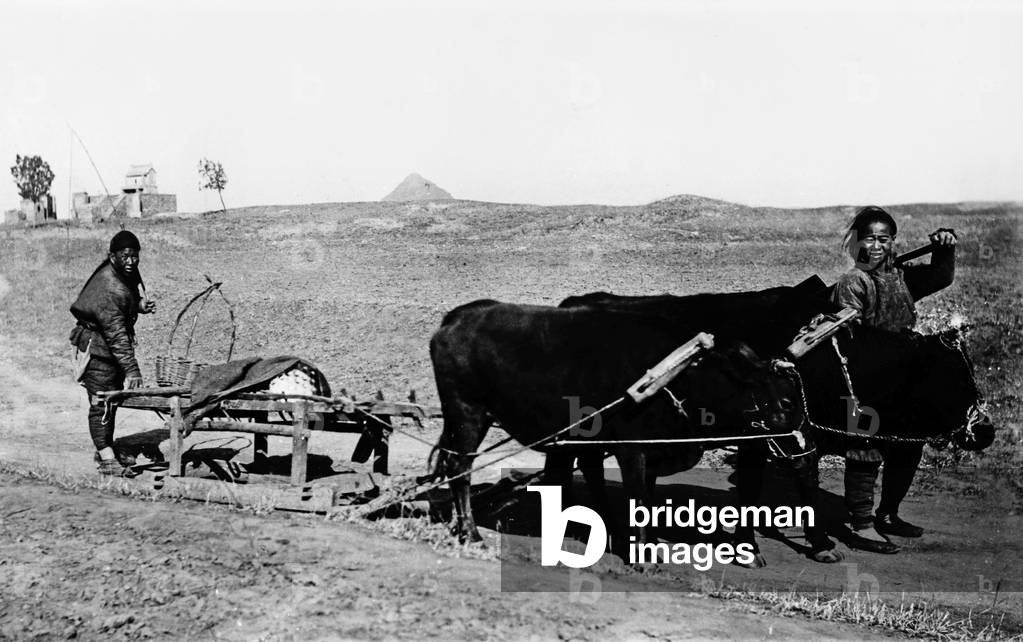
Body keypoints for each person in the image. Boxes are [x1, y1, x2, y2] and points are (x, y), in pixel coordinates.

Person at [831, 206, 957, 553]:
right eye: (868, 238)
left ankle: (888, 514)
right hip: (863, 380)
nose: (875, 246)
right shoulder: (854, 282)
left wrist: (945, 248)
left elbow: (940, 278)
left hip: (901, 380)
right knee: (865, 448)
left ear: (892, 242)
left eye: (883, 239)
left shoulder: (902, 277)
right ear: (856, 243)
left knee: (908, 442)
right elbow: (849, 339)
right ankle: (861, 524)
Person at [69, 230, 157, 475]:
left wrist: (139, 305)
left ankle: (105, 448)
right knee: (102, 403)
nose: (131, 262)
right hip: (97, 349)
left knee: (111, 402)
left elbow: (127, 299)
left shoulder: (122, 273)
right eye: (125, 256)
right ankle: (107, 459)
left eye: (135, 256)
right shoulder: (109, 286)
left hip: (108, 347)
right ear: (112, 256)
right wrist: (132, 369)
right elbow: (116, 334)